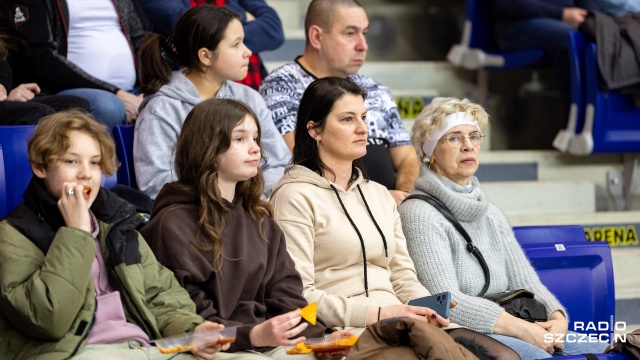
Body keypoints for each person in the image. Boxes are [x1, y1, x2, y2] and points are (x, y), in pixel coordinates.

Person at [270, 77, 521, 360]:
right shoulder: (294, 197)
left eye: (364, 117)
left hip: (401, 320)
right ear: (314, 130)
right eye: (347, 119)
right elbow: (302, 296)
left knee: (506, 357)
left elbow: (402, 276)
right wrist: (379, 314)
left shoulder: (378, 194)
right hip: (349, 328)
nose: (363, 128)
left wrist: (427, 307)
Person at [0, 110, 263, 360]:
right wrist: (75, 233)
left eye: (94, 163)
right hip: (81, 352)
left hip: (146, 347)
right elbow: (49, 319)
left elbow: (162, 297)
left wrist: (192, 330)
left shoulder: (116, 223)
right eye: (71, 161)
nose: (85, 173)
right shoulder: (13, 234)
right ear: (39, 167)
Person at [397, 97, 609, 358]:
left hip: (513, 323)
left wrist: (557, 317)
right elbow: (446, 301)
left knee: (608, 352)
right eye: (453, 138)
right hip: (465, 331)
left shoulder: (491, 213)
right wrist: (521, 329)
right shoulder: (419, 213)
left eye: (474, 136)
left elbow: (527, 281)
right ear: (429, 151)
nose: (468, 146)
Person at [141, 98, 353, 359]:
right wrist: (254, 335)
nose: (255, 149)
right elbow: (189, 317)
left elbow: (287, 295)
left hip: (267, 342)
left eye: (255, 139)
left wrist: (321, 337)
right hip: (214, 348)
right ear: (207, 146)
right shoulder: (171, 224)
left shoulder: (260, 219)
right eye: (240, 139)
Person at [259, 0, 418, 205]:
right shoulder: (281, 86)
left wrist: (402, 196)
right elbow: (301, 160)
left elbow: (407, 158)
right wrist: (378, 198)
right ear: (317, 37)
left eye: (365, 33)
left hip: (389, 211)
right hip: (327, 209)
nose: (363, 45)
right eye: (350, 33)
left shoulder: (376, 89)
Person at [135, 5, 289, 200]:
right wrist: (226, 199)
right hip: (194, 219)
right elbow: (156, 184)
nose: (248, 52)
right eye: (236, 44)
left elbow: (279, 163)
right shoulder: (162, 109)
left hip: (255, 209)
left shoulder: (249, 98)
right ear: (206, 56)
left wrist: (252, 201)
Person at [7, 0, 148, 127]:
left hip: (134, 91)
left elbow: (141, 40)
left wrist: (149, 89)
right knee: (108, 107)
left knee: (163, 99)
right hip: (65, 89)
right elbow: (40, 58)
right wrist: (116, 93)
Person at [138, 0, 284, 91]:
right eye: (236, 43)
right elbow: (196, 26)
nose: (248, 52)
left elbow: (274, 31)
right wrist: (242, 15)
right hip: (198, 88)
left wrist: (226, 30)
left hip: (252, 85)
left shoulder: (253, 99)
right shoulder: (166, 105)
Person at [493, 0, 600, 107]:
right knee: (572, 39)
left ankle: (598, 118)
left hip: (566, 22)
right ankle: (578, 118)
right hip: (517, 23)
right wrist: (562, 14)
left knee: (602, 38)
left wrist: (589, 17)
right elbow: (510, 3)